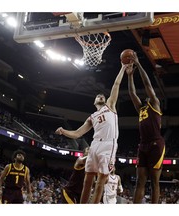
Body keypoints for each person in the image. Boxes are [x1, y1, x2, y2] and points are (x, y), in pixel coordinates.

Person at [55, 63, 127, 204]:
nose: (100, 96)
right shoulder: (92, 116)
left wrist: (123, 67)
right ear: (94, 101)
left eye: (102, 95)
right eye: (98, 96)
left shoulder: (110, 106)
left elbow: (116, 84)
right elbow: (77, 134)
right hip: (94, 145)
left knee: (101, 180)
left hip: (108, 144)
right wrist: (63, 131)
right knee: (88, 179)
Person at [126, 52, 165, 204]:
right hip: (143, 145)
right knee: (140, 181)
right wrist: (129, 75)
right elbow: (131, 92)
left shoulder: (155, 104)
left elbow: (147, 84)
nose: (147, 95)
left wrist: (138, 64)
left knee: (154, 182)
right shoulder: (141, 109)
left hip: (156, 143)